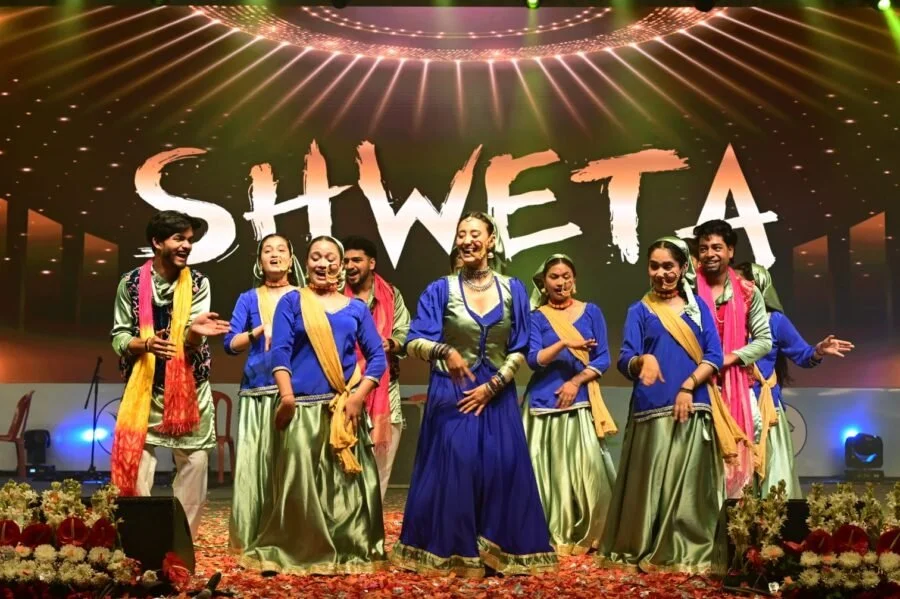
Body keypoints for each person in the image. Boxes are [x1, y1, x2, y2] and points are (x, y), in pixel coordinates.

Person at [392, 212, 557, 577]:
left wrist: (493, 385)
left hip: (496, 393)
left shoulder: (512, 289)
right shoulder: (440, 290)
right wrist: (444, 351)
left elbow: (521, 346)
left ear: (491, 240)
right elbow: (413, 341)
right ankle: (453, 550)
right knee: (457, 468)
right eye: (461, 234)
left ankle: (495, 550)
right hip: (452, 392)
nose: (466, 240)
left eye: (474, 234)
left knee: (500, 468)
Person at [240, 235, 388, 574]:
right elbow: (280, 352)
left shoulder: (355, 308)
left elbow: (377, 357)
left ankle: (347, 549)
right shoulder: (292, 302)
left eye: (331, 258)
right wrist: (286, 397)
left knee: (346, 490)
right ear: (306, 264)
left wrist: (358, 396)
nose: (323, 264)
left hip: (343, 410)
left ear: (341, 264)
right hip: (301, 410)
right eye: (316, 257)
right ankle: (297, 550)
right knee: (299, 489)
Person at [598, 237, 734, 574]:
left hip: (694, 405)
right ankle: (645, 545)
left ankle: (688, 551)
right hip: (652, 408)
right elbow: (625, 358)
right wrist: (642, 361)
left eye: (669, 266)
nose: (661, 273)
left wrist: (688, 386)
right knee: (651, 486)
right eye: (655, 266)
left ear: (683, 268)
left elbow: (714, 355)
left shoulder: (698, 307)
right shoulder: (640, 310)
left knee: (688, 488)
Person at [110, 210, 230, 540]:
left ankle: (182, 541)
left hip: (189, 390)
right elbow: (119, 336)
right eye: (179, 238)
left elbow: (193, 339)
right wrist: (146, 343)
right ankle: (139, 539)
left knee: (195, 465)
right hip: (144, 390)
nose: (187, 246)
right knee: (136, 467)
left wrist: (193, 334)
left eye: (190, 240)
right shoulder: (131, 283)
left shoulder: (199, 283)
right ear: (157, 242)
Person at [522, 254, 617, 556]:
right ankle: (545, 531)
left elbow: (603, 358)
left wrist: (575, 382)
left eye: (566, 276)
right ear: (544, 283)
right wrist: (564, 343)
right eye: (554, 277)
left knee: (589, 471)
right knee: (543, 474)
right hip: (543, 405)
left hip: (579, 402)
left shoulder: (591, 312)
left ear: (574, 281)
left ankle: (591, 533)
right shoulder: (536, 317)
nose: (560, 282)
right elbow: (533, 359)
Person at [736, 263, 854, 499]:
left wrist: (818, 350)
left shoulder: (775, 321)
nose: (732, 287)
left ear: (756, 286)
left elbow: (803, 355)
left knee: (773, 476)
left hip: (766, 409)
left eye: (739, 282)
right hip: (733, 406)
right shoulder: (725, 320)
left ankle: (772, 519)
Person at [224, 233, 305, 553]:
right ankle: (251, 535)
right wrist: (259, 331)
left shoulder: (304, 296)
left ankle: (293, 534)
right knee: (255, 467)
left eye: (281, 249)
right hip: (257, 389)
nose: (275, 254)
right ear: (259, 261)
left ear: (291, 259)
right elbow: (231, 344)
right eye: (267, 250)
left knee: (293, 465)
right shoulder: (248, 298)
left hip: (297, 390)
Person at [694, 219, 772, 498]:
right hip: (693, 383)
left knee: (735, 461)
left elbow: (764, 340)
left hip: (732, 384)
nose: (710, 254)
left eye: (717, 247)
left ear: (730, 251)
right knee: (695, 459)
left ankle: (732, 517)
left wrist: (727, 359)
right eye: (704, 248)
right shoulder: (686, 289)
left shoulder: (748, 292)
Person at [342, 235, 410, 501]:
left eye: (356, 260)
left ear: (371, 263)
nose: (349, 266)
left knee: (380, 469)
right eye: (345, 260)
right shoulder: (334, 296)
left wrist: (390, 343)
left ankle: (372, 522)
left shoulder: (391, 294)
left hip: (385, 389)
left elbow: (406, 332)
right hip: (344, 389)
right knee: (343, 466)